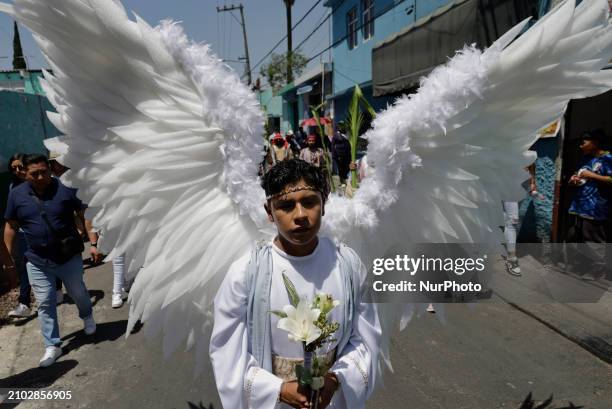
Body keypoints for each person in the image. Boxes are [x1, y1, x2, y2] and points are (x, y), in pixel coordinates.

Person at [210, 159, 380, 409]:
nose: (300, 215)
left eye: (309, 202)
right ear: (269, 212)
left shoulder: (348, 265)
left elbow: (365, 339)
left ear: (324, 204)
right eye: (286, 206)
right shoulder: (246, 274)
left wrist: (334, 380)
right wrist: (277, 390)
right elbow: (228, 354)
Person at [3, 154, 100, 367]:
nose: (40, 177)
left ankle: (87, 315)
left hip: (68, 256)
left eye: (43, 172)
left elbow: (85, 211)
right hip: (37, 260)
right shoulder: (17, 195)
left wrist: (93, 241)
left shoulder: (65, 187)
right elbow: (11, 226)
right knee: (46, 301)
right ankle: (52, 345)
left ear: (49, 169)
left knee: (78, 293)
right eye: (34, 173)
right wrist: (8, 259)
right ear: (24, 174)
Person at [567, 130, 612, 280]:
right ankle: (580, 267)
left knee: (593, 240)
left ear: (595, 142)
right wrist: (573, 179)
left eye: (583, 142)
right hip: (579, 205)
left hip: (595, 207)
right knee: (576, 238)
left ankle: (597, 271)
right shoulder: (585, 159)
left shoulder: (608, 159)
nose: (580, 146)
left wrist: (592, 176)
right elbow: (577, 175)